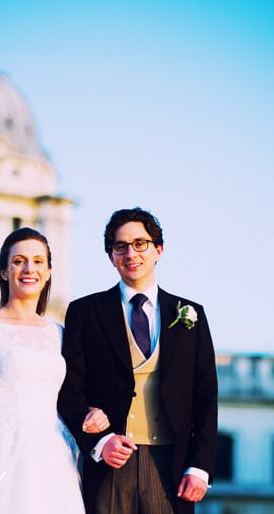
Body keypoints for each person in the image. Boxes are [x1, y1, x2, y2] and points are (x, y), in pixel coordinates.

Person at [58, 208, 218, 514]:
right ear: (111, 257)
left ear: (159, 249)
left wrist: (200, 466)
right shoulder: (85, 312)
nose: (131, 253)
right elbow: (69, 388)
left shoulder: (189, 313)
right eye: (120, 246)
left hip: (171, 465)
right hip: (110, 462)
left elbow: (206, 395)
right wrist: (100, 442)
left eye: (140, 243)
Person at [0, 227, 109, 513]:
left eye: (37, 261)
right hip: (0, 455)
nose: (28, 268)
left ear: (47, 272)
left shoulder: (59, 333)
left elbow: (73, 396)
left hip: (54, 457)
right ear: (4, 272)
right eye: (19, 261)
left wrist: (96, 412)